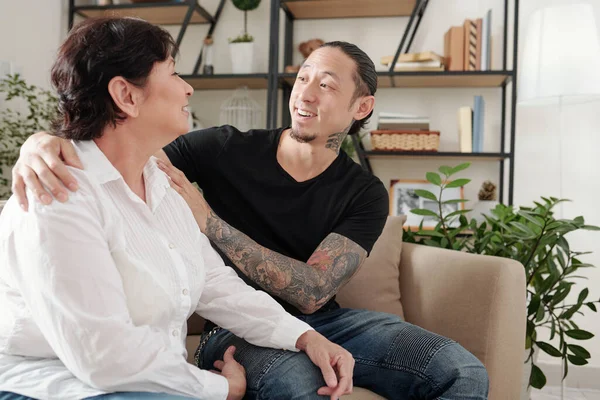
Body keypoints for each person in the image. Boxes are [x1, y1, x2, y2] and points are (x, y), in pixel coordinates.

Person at [11, 37, 490, 398]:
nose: (306, 92)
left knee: (463, 371)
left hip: (323, 321)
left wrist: (209, 222)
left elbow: (311, 292)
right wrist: (45, 143)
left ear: (361, 107)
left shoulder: (363, 191)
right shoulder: (221, 147)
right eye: (303, 77)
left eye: (326, 85)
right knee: (301, 383)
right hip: (232, 329)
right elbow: (127, 152)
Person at [0, 17, 356, 400]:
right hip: (58, 388)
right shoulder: (57, 192)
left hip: (148, 384)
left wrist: (305, 336)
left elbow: (215, 284)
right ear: (126, 95)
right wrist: (223, 388)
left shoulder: (161, 182)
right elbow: (103, 359)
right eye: (173, 73)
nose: (187, 88)